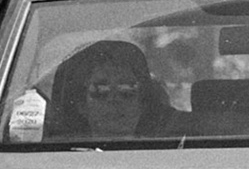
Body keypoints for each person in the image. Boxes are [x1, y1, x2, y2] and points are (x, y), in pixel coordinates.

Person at [46, 40, 177, 139]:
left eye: (127, 89)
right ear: (81, 105)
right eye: (101, 90)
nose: (114, 99)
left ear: (142, 103)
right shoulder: (47, 157)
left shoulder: (174, 155)